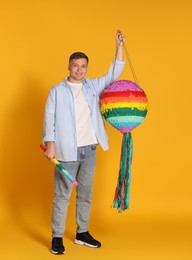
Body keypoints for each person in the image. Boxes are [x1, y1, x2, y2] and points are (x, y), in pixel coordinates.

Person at [42, 30, 126, 255]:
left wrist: (118, 46)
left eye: (83, 66)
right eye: (75, 66)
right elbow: (49, 120)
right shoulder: (57, 91)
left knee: (86, 193)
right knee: (62, 194)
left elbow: (113, 74)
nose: (79, 70)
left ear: (87, 68)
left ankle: (82, 233)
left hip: (89, 148)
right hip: (65, 150)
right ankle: (57, 236)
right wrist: (50, 144)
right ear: (68, 67)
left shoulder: (92, 86)